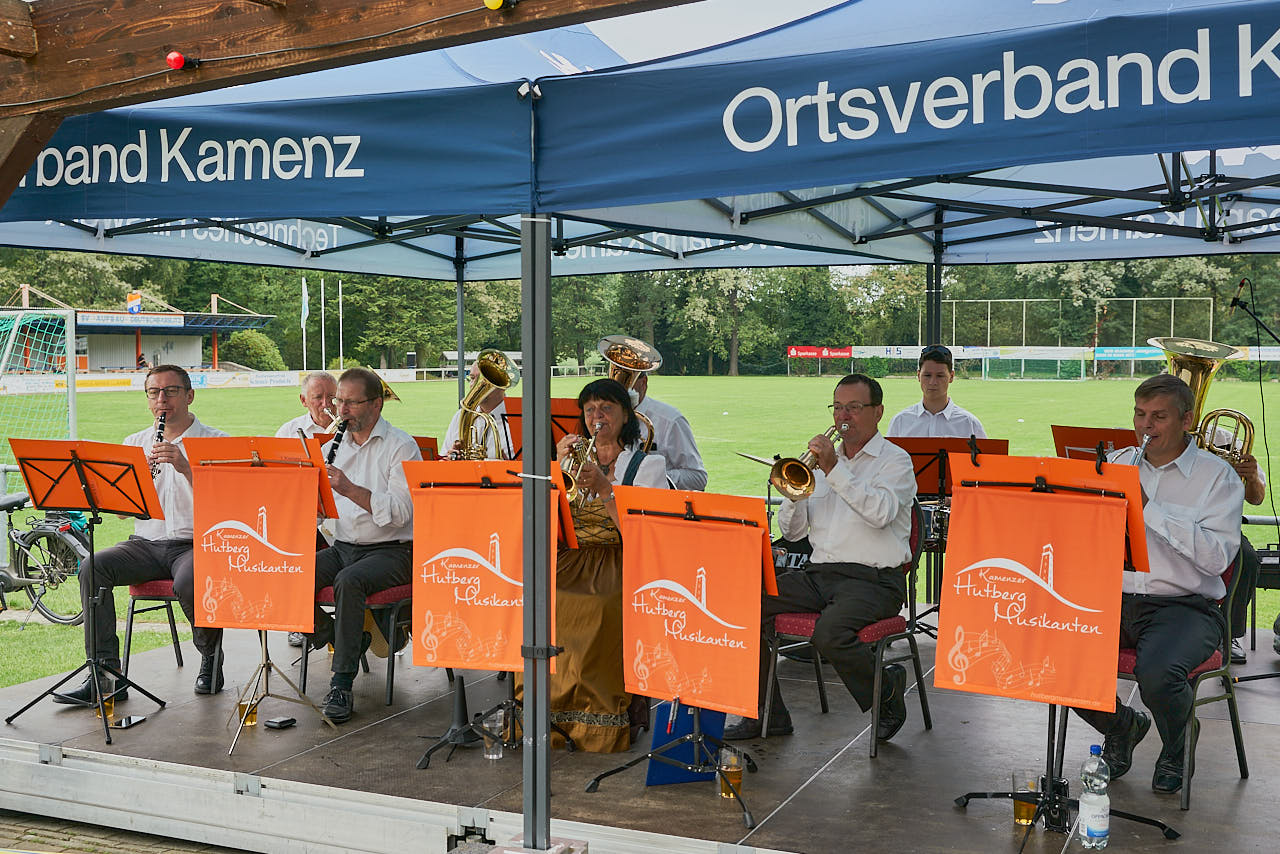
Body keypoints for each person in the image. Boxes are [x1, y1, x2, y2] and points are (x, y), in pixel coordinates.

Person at [1073, 374, 1244, 795]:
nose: (1145, 426)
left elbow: (1217, 559)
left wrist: (1148, 509)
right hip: (1114, 597)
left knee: (1159, 673)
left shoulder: (1217, 478)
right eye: (1139, 414)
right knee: (1054, 657)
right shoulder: (1115, 463)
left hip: (1185, 606)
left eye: (1158, 417)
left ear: (1186, 420)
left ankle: (1178, 741)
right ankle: (1122, 725)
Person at [724, 373, 918, 741]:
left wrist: (833, 469)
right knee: (742, 605)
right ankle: (768, 714)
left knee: (829, 634)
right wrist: (795, 496)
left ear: (878, 412)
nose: (843, 417)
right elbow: (794, 533)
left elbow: (880, 513)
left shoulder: (895, 461)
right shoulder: (824, 464)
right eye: (838, 407)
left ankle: (886, 690)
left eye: (854, 408)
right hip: (820, 574)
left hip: (875, 580)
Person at [55, 365, 229, 705]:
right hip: (145, 544)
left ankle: (210, 656)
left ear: (190, 395)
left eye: (171, 391)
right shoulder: (135, 443)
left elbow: (227, 504)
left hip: (195, 543)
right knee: (93, 567)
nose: (162, 399)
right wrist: (136, 486)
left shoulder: (216, 441)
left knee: (190, 581)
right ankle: (106, 674)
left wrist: (186, 468)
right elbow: (122, 513)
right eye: (154, 392)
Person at [549, 378, 668, 751]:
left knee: (599, 606)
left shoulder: (648, 464)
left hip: (621, 557)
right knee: (537, 598)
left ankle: (598, 721)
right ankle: (547, 713)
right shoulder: (569, 459)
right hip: (572, 556)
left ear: (625, 415)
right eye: (589, 410)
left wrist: (604, 489)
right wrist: (554, 466)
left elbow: (644, 534)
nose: (597, 416)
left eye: (606, 408)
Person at [307, 367, 421, 724]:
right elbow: (324, 510)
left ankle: (341, 684)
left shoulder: (401, 446)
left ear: (376, 404)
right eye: (339, 401)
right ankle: (344, 640)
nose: (341, 410)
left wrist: (348, 488)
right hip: (344, 546)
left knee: (349, 581)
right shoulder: (331, 445)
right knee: (291, 574)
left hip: (393, 551)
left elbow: (401, 513)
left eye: (351, 403)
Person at [275, 371, 339, 647]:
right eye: (318, 398)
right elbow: (276, 482)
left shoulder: (353, 429)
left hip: (344, 522)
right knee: (278, 565)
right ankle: (309, 625)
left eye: (332, 397)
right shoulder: (288, 432)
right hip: (306, 522)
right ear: (304, 401)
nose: (327, 404)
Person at [887, 344, 986, 439]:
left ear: (951, 376)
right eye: (927, 375)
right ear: (918, 376)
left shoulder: (970, 424)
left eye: (940, 376)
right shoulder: (900, 422)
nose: (933, 382)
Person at [633, 371, 707, 491]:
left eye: (628, 381)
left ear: (643, 383)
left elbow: (697, 478)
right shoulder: (603, 420)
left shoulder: (670, 419)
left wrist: (654, 477)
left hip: (653, 500)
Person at [442, 359, 512, 460]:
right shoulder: (460, 417)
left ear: (502, 384)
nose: (474, 386)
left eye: (485, 380)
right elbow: (444, 458)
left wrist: (509, 465)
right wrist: (452, 458)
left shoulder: (519, 420)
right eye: (472, 378)